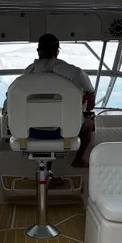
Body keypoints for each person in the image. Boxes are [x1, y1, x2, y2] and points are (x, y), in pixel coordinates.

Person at [22, 33, 95, 168]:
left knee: (45, 120)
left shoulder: (27, 73)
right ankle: (78, 160)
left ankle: (47, 174)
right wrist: (90, 93)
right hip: (60, 131)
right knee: (88, 124)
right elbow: (79, 75)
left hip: (32, 131)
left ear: (38, 51)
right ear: (56, 51)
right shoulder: (63, 69)